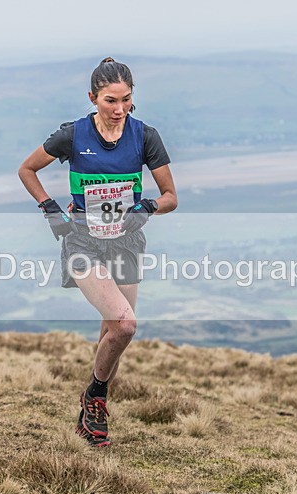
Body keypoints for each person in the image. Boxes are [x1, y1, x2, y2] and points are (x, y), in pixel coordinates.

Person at [18, 57, 178, 447]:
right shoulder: (72, 135)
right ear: (93, 98)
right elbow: (27, 169)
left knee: (112, 332)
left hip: (126, 243)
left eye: (126, 100)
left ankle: (89, 414)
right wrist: (49, 207)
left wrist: (148, 207)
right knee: (124, 324)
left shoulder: (145, 136)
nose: (119, 109)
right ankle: (96, 397)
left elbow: (171, 197)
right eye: (110, 100)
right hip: (83, 242)